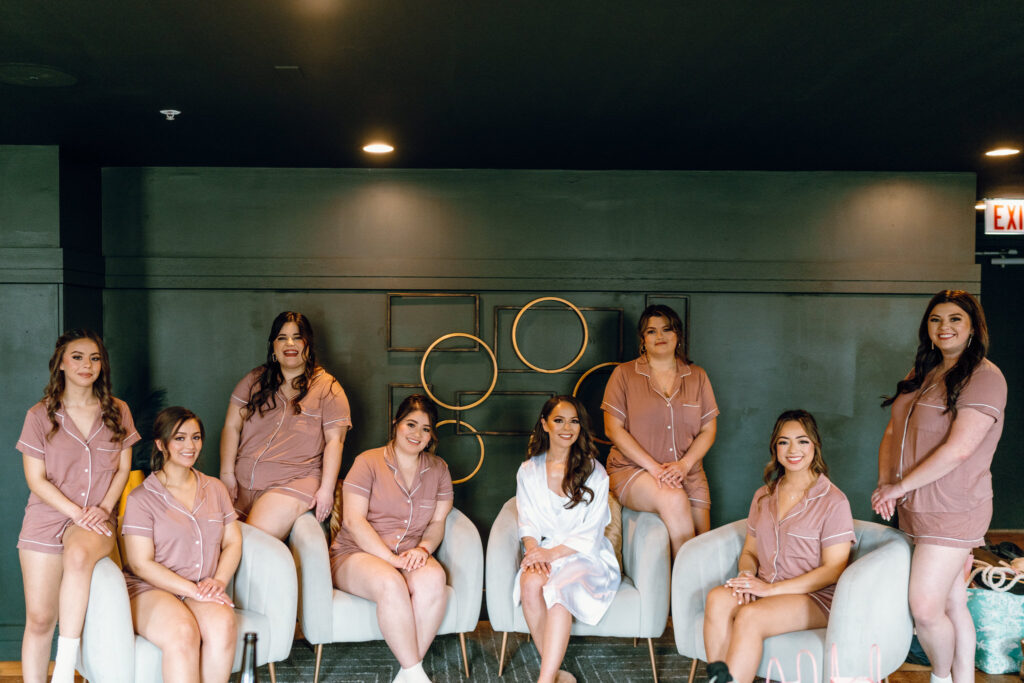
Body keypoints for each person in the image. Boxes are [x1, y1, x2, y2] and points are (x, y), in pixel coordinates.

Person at [872, 289, 1007, 683]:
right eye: (936, 319)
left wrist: (899, 488)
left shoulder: (985, 377)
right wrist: (887, 482)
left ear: (972, 328)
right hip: (915, 503)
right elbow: (893, 430)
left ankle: (942, 676)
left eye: (954, 319)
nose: (944, 327)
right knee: (951, 601)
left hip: (954, 508)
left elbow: (960, 450)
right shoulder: (923, 371)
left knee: (925, 608)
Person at [16, 329, 139, 683]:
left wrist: (101, 509)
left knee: (81, 552)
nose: (87, 364)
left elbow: (123, 468)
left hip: (97, 521)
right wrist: (76, 513)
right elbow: (36, 480)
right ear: (61, 365)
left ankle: (65, 666)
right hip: (44, 521)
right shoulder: (39, 415)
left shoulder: (119, 411)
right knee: (39, 619)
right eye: (78, 357)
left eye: (95, 358)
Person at [702, 410, 855, 683]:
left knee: (750, 617)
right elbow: (749, 551)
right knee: (716, 598)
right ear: (775, 447)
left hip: (815, 597)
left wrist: (770, 590)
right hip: (765, 585)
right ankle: (721, 678)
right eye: (784, 442)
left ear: (815, 445)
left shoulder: (834, 501)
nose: (793, 449)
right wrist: (747, 576)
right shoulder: (763, 495)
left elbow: (833, 570)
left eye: (802, 441)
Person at [329, 395, 452, 683]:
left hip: (409, 552)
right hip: (356, 554)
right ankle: (416, 675)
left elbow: (437, 522)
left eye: (425, 428)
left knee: (435, 579)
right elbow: (353, 521)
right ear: (396, 423)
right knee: (390, 582)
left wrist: (424, 548)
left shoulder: (439, 469)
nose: (417, 434)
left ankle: (409, 673)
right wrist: (391, 560)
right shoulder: (368, 462)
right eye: (411, 424)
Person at [122, 407, 241, 683]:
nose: (190, 446)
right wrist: (193, 591)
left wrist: (219, 581)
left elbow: (233, 540)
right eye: (180, 438)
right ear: (161, 444)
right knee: (182, 632)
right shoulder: (141, 499)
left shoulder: (215, 489)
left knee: (223, 624)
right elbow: (141, 563)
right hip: (151, 589)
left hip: (201, 584)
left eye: (196, 437)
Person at [514, 396, 621, 683]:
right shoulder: (528, 471)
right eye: (559, 420)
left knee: (558, 593)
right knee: (530, 583)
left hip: (587, 555)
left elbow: (592, 531)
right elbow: (527, 520)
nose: (567, 427)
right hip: (545, 549)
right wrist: (534, 550)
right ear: (545, 424)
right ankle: (555, 672)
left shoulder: (594, 471)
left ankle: (544, 680)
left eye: (574, 421)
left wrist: (551, 555)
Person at [220, 311, 351, 539]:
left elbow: (335, 442)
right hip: (241, 484)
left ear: (308, 343)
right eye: (282, 337)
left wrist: (326, 490)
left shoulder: (329, 388)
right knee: (215, 540)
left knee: (251, 539)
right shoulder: (254, 380)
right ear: (273, 345)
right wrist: (227, 474)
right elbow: (231, 426)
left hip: (292, 483)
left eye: (297, 337)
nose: (289, 343)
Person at [602, 303, 718, 556]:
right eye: (651, 331)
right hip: (633, 471)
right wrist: (655, 468)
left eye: (667, 329)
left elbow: (708, 430)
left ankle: (689, 592)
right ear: (642, 339)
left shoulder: (698, 376)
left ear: (678, 335)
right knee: (673, 497)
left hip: (689, 473)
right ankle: (681, 593)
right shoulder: (623, 375)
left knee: (703, 545)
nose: (660, 336)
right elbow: (613, 429)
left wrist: (684, 465)